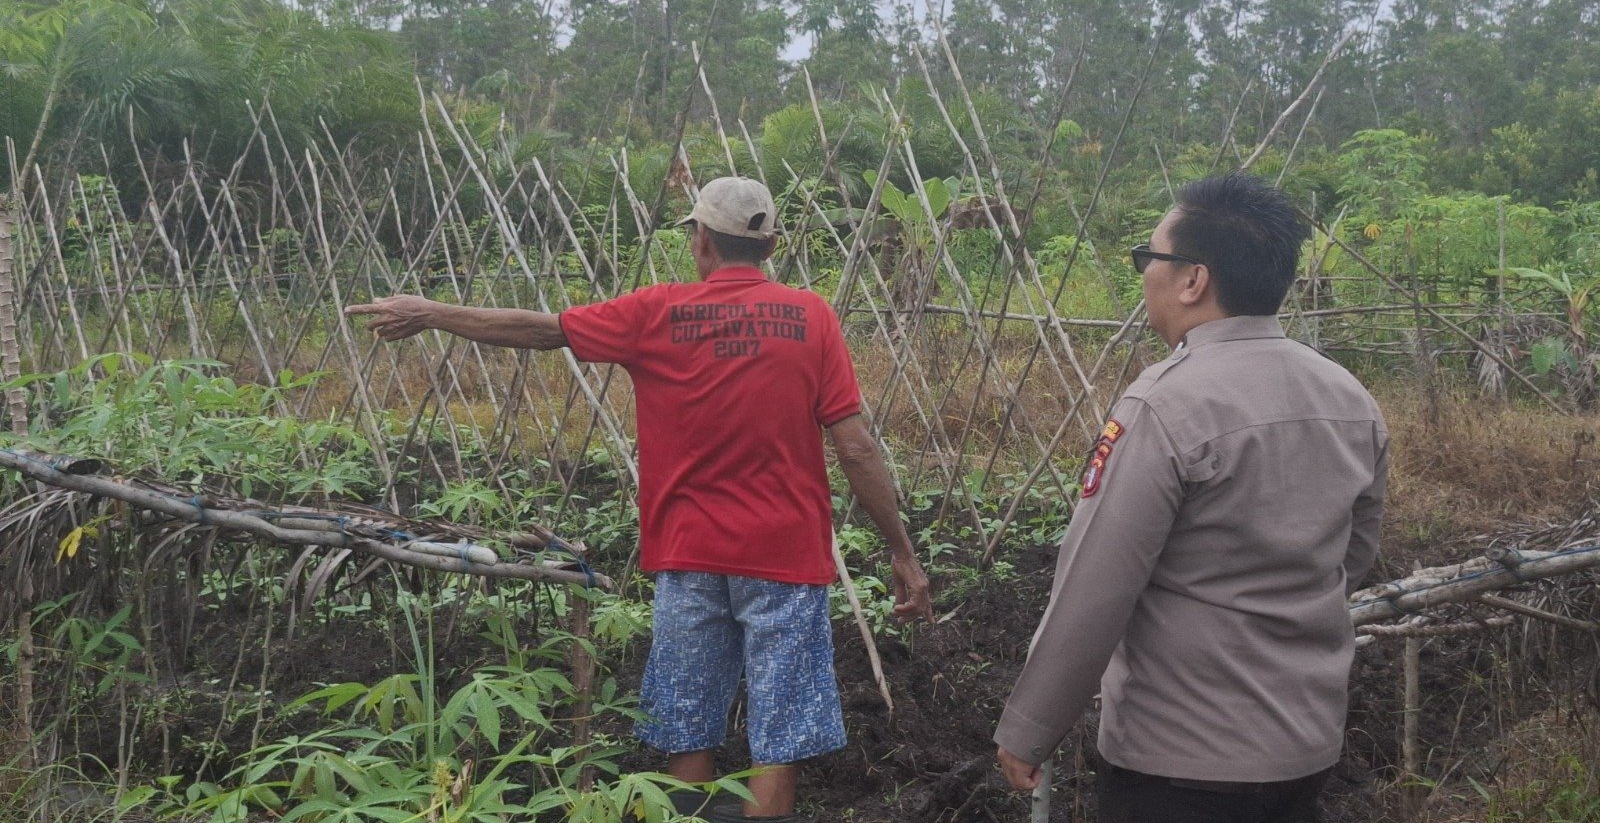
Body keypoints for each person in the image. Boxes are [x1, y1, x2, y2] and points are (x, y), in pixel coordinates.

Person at [348, 175, 932, 821]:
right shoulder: (811, 316)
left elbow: (540, 330)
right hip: (785, 559)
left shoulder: (655, 313)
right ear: (770, 248)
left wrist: (432, 312)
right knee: (780, 733)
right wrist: (902, 551)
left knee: (687, 722)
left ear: (700, 240)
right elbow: (856, 448)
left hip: (687, 553)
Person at [994, 171, 1388, 823]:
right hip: (1306, 748)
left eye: (1148, 258)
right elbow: (1353, 557)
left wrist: (1030, 727)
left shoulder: (1166, 403)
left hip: (1180, 761)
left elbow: (1097, 586)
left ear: (1192, 280)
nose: (1144, 275)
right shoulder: (1349, 398)